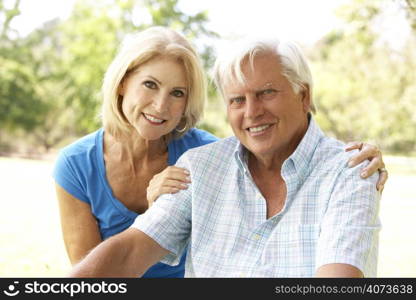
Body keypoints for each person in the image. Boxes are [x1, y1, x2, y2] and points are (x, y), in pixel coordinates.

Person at [68, 36, 386, 278]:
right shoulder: (199, 166)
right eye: (237, 99)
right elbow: (130, 251)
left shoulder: (353, 169)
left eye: (266, 93)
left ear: (303, 95)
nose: (252, 112)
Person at [53, 26, 218, 278]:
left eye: (177, 93)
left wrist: (168, 210)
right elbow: (93, 278)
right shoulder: (75, 165)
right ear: (122, 83)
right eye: (150, 85)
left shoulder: (206, 154)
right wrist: (154, 214)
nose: (161, 106)